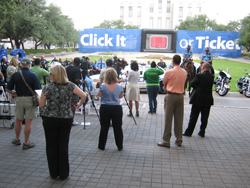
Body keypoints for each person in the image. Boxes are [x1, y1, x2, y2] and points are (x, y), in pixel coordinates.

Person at [39, 64, 87, 180]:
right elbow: (83, 96)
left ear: (55, 75)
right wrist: (78, 104)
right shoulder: (71, 86)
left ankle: (53, 172)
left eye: (50, 73)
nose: (49, 75)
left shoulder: (47, 88)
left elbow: (41, 105)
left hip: (50, 118)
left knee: (51, 145)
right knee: (63, 144)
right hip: (65, 118)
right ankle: (64, 173)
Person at [6, 57, 41, 149]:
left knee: (18, 120)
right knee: (28, 121)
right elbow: (38, 90)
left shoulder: (16, 75)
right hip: (30, 99)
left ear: (21, 64)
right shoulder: (33, 75)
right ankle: (26, 142)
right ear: (29, 64)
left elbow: (8, 88)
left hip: (19, 99)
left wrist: (14, 92)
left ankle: (17, 139)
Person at [157, 55, 187, 148]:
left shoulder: (169, 72)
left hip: (170, 96)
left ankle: (166, 140)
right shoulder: (184, 72)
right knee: (179, 119)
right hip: (180, 96)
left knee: (168, 119)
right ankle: (179, 140)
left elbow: (164, 82)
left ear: (173, 62)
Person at [183, 63, 214, 138]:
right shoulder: (212, 76)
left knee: (194, 116)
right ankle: (202, 131)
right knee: (205, 117)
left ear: (203, 67)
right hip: (208, 99)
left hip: (198, 98)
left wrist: (197, 85)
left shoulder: (199, 75)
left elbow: (192, 84)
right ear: (209, 69)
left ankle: (189, 132)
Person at [97, 68, 124, 151]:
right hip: (116, 107)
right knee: (118, 127)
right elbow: (121, 96)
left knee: (104, 127)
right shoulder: (119, 86)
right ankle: (119, 145)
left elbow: (99, 95)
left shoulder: (103, 85)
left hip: (105, 107)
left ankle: (101, 145)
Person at [66, 57, 85, 126]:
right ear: (79, 63)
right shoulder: (77, 69)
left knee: (67, 104)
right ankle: (72, 120)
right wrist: (82, 82)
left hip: (66, 88)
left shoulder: (67, 68)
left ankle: (67, 118)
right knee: (73, 105)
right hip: (74, 89)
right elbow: (77, 79)